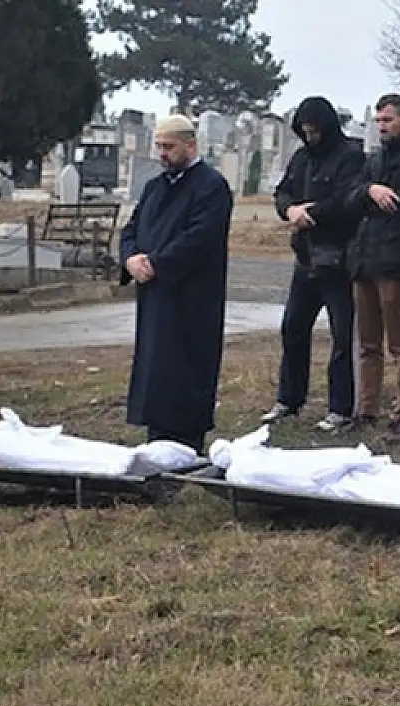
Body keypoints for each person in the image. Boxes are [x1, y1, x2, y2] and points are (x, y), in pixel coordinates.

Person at [119, 114, 232, 455]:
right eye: (159, 146)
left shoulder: (211, 186)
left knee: (186, 372)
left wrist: (157, 263)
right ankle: (157, 442)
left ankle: (186, 448)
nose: (162, 154)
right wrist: (131, 259)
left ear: (190, 145)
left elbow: (200, 238)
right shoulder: (155, 187)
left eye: (169, 147)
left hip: (192, 298)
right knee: (156, 370)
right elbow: (131, 229)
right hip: (156, 295)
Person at [261, 96, 367, 431]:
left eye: (314, 131)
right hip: (306, 257)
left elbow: (347, 199)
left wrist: (311, 214)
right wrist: (290, 210)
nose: (310, 137)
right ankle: (289, 398)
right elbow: (283, 192)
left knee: (341, 336)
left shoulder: (350, 155)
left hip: (338, 258)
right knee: (293, 327)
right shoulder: (301, 157)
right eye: (305, 131)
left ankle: (341, 407)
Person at [342, 94, 400, 442]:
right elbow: (351, 198)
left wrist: (376, 197)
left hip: (396, 261)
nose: (382, 126)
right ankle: (366, 409)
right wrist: (371, 190)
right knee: (367, 342)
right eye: (378, 121)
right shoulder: (375, 160)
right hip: (365, 258)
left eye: (388, 120)